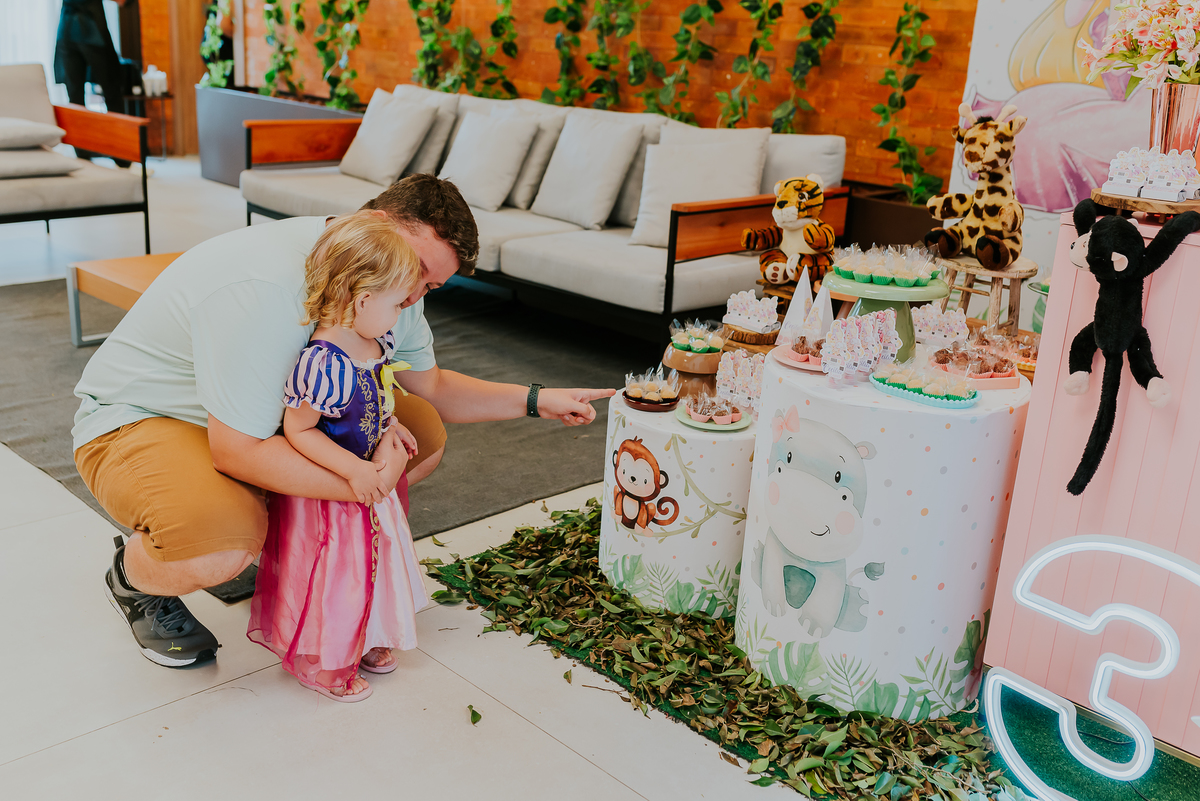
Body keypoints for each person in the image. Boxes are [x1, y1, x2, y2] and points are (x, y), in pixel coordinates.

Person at [75, 175, 614, 669]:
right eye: (421, 276)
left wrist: (538, 398)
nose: (416, 296)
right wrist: (367, 483)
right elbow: (236, 450)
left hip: (267, 420)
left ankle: (288, 546)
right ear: (379, 226)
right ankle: (133, 579)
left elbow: (433, 387)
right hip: (147, 418)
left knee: (419, 439)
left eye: (432, 287)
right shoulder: (262, 286)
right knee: (222, 546)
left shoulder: (391, 277)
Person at [248, 211, 427, 702]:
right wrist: (351, 469)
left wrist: (392, 423)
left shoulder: (374, 341)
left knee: (370, 564)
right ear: (363, 298)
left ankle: (362, 636)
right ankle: (318, 660)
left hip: (367, 479)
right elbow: (299, 429)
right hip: (331, 491)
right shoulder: (324, 362)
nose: (402, 312)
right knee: (333, 576)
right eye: (397, 302)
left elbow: (377, 396)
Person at [54, 0, 131, 165]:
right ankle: (122, 158)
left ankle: (84, 157)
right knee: (111, 93)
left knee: (75, 97)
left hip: (68, 29)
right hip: (90, 30)